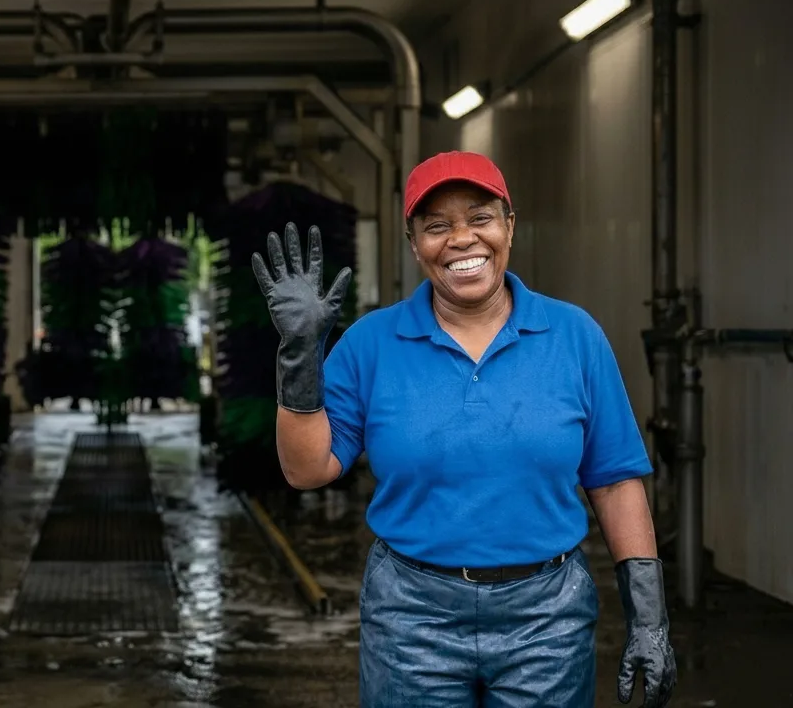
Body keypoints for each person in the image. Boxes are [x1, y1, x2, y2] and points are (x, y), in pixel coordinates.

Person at [251, 151, 677, 707]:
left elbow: (615, 480)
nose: (462, 240)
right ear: (413, 243)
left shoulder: (575, 336)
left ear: (509, 225)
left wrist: (648, 615)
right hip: (411, 616)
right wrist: (300, 358)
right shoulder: (370, 344)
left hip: (547, 618)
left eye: (480, 218)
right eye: (437, 226)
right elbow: (306, 470)